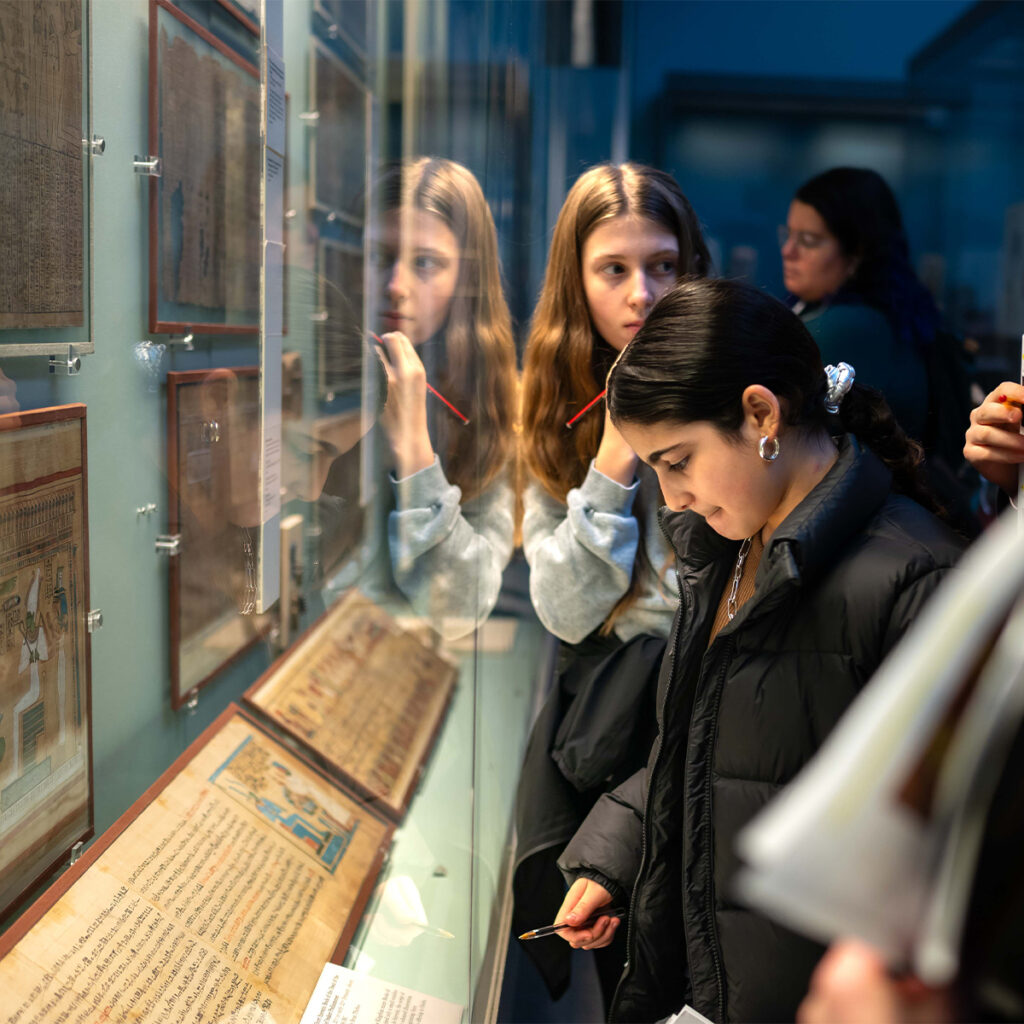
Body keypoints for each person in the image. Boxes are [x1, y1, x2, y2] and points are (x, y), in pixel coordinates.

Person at [554, 277, 964, 1024]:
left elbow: (936, 871)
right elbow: (714, 750)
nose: (672, 497)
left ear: (760, 414)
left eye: (678, 461)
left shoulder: (913, 579)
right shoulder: (728, 547)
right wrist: (618, 853)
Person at [512, 163, 711, 1006]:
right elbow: (563, 610)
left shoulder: (733, 377)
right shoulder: (555, 397)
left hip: (720, 707)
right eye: (615, 270)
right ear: (577, 280)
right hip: (620, 727)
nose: (644, 293)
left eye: (664, 265)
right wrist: (618, 447)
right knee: (629, 977)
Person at [321, 157, 518, 640]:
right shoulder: (316, 374)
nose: (395, 286)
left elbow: (459, 608)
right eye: (377, 257)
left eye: (425, 262)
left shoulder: (485, 398)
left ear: (466, 279)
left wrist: (412, 445)